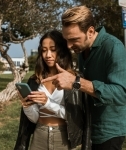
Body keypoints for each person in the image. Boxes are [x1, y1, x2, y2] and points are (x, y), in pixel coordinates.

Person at [41, 5, 126, 150]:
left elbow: (122, 93)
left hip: (109, 132)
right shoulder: (82, 50)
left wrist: (76, 82)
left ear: (91, 31)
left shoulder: (113, 47)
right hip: (89, 129)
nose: (68, 45)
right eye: (66, 39)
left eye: (73, 39)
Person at [14, 30, 91, 150]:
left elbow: (75, 118)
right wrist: (27, 106)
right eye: (44, 50)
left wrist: (48, 103)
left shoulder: (75, 79)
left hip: (63, 139)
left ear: (62, 50)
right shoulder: (35, 80)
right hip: (39, 135)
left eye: (53, 49)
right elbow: (35, 118)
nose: (48, 55)